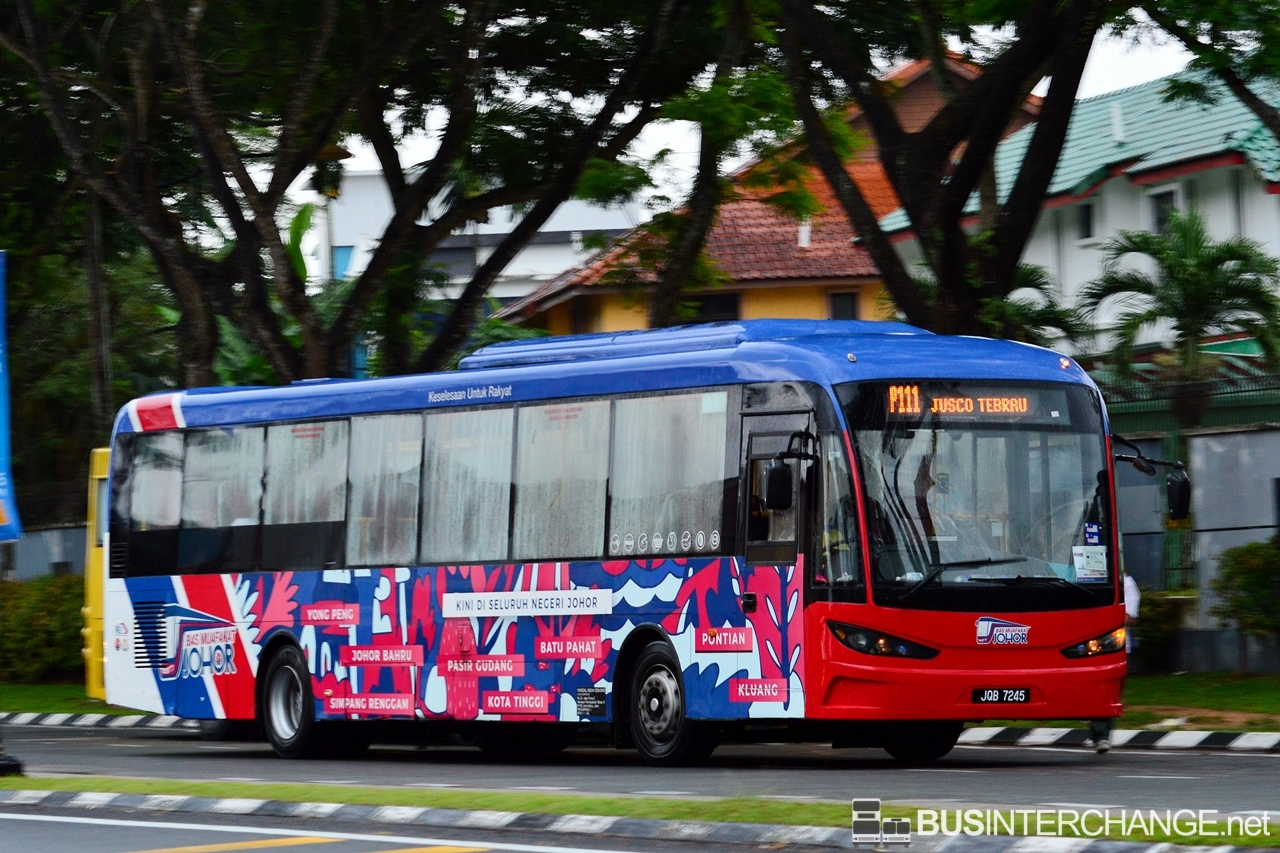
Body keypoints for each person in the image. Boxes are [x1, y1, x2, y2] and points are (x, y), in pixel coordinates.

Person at [1089, 573, 1140, 754]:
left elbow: (1129, 617)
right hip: (1089, 645)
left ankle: (1100, 735)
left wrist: (1099, 619)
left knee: (1109, 692)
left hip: (1115, 647)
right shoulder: (1087, 581)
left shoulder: (1126, 584)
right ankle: (1098, 734)